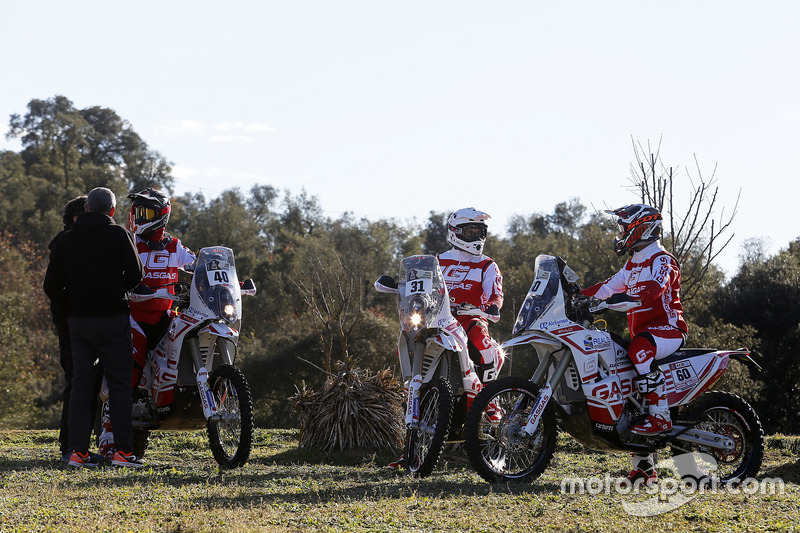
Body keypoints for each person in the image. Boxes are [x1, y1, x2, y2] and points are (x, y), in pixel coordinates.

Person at [388, 207, 505, 471]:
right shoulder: (437, 261)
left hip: (469, 319)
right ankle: (410, 452)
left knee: (484, 348)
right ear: (455, 232)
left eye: (479, 231)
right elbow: (412, 285)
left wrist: (491, 306)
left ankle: (491, 403)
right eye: (470, 231)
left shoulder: (487, 264)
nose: (476, 235)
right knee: (412, 375)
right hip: (434, 321)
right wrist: (396, 286)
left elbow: (495, 294)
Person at [580, 204, 687, 484]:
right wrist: (574, 297)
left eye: (623, 228)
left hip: (668, 330)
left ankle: (662, 417)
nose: (620, 233)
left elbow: (650, 294)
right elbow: (607, 287)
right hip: (644, 335)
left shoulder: (663, 260)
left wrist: (606, 303)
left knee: (637, 351)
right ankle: (644, 469)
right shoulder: (633, 262)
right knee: (630, 388)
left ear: (642, 228)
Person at [44, 187, 145, 468]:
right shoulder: (119, 235)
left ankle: (77, 451)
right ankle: (123, 452)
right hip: (113, 318)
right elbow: (136, 275)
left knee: (81, 384)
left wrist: (74, 302)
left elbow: (50, 285)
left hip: (78, 321)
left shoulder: (65, 240)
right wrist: (116, 291)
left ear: (86, 209)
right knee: (119, 385)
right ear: (111, 211)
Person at [97, 188, 195, 458]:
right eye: (137, 212)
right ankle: (108, 435)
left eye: (147, 212)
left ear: (162, 214)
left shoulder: (175, 246)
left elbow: (199, 264)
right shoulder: (130, 243)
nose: (140, 217)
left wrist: (223, 277)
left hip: (165, 316)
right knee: (128, 374)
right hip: (135, 318)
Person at [47, 195, 88, 459]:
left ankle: (77, 442)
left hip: (74, 319)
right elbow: (52, 287)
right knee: (76, 379)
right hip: (72, 321)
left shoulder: (70, 241)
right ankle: (70, 444)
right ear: (76, 217)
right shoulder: (67, 243)